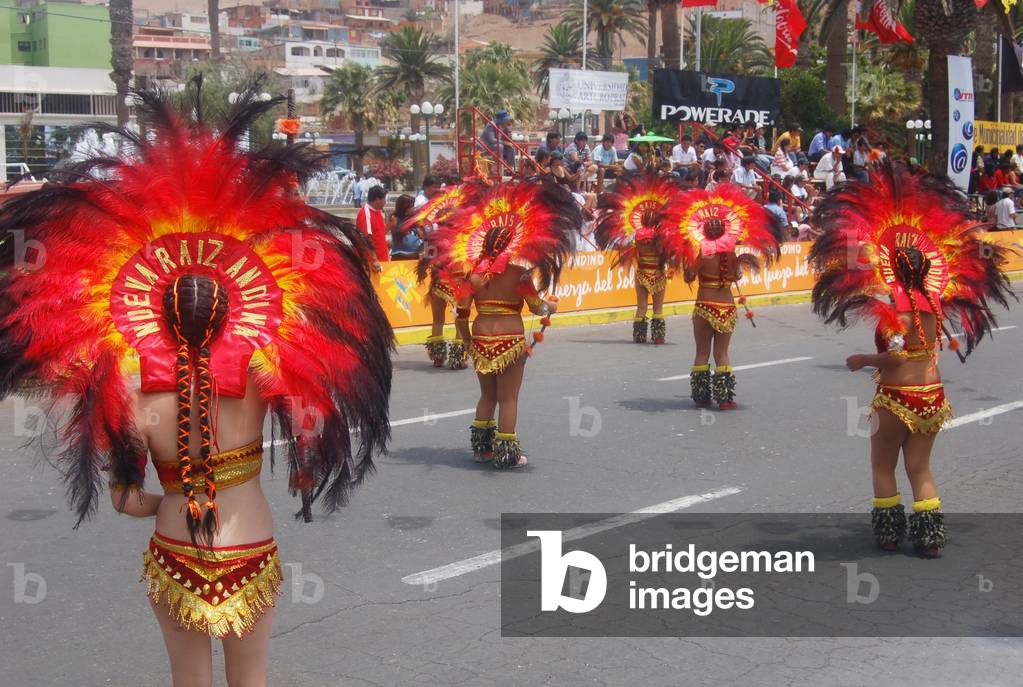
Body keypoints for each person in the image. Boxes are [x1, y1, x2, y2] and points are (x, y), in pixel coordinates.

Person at [0, 86, 394, 686]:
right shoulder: (263, 376)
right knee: (250, 678)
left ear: (149, 313)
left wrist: (171, 502)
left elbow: (127, 500)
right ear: (236, 310)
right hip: (250, 543)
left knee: (188, 680)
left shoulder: (131, 392)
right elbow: (326, 350)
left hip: (174, 546)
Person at [809, 160, 1012, 556]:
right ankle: (931, 538)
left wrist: (861, 359)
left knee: (882, 467)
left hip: (897, 398)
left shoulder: (896, 313)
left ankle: (888, 533)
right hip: (932, 396)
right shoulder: (935, 306)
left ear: (894, 271)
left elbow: (896, 357)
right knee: (920, 469)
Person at [435, 180, 579, 468]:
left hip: (481, 340)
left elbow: (461, 314)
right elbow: (538, 309)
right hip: (510, 340)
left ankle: (482, 449)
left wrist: (466, 342)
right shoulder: (519, 275)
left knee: (487, 396)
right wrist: (552, 304)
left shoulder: (473, 276)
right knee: (509, 399)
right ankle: (506, 454)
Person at [658, 184, 784, 409]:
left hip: (704, 307)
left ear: (703, 231)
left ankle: (701, 396)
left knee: (702, 353)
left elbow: (688, 278)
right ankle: (725, 399)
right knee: (722, 353)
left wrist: (687, 257)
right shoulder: (732, 255)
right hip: (726, 308)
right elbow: (736, 275)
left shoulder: (702, 256)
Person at [594, 173, 681, 344]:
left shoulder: (637, 235)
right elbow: (669, 253)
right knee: (658, 308)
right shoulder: (661, 236)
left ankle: (639, 336)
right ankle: (658, 337)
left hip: (641, 273)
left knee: (641, 306)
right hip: (657, 274)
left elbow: (623, 245)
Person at [408, 183, 482, 368]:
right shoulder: (464, 238)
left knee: (438, 320)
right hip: (458, 283)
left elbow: (427, 258)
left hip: (439, 281)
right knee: (460, 319)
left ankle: (438, 357)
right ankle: (458, 359)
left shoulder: (433, 238)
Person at [356, 185, 389, 270]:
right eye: (384, 199)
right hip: (373, 263)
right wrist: (374, 259)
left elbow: (379, 233)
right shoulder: (366, 213)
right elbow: (366, 237)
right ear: (377, 199)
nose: (385, 202)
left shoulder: (378, 211)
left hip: (382, 260)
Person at [480, 109, 516, 174]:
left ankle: (510, 168)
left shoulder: (504, 127)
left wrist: (509, 133)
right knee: (500, 146)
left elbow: (507, 141)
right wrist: (505, 143)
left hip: (496, 147)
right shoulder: (491, 125)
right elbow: (491, 140)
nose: (507, 121)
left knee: (511, 148)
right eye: (506, 120)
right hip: (486, 147)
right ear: (502, 121)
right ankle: (499, 169)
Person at [389, 194, 422, 259]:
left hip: (415, 255)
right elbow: (383, 232)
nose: (414, 208)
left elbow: (424, 237)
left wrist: (425, 255)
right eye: (411, 206)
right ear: (404, 208)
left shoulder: (414, 219)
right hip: (399, 256)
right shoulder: (394, 219)